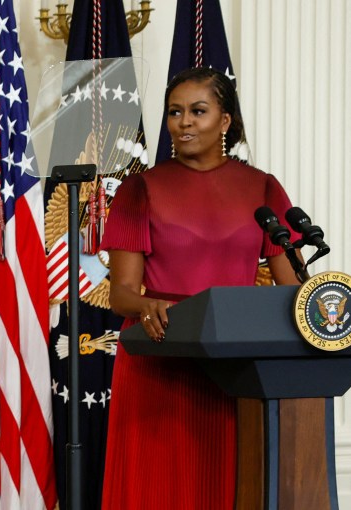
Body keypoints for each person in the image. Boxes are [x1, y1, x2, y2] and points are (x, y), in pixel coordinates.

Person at [99, 67, 300, 509]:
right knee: (159, 488)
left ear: (225, 121)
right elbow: (122, 294)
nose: (183, 122)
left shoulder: (262, 188)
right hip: (161, 358)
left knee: (228, 484)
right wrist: (151, 303)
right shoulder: (139, 189)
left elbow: (296, 292)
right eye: (175, 112)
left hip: (235, 366)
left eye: (198, 111)